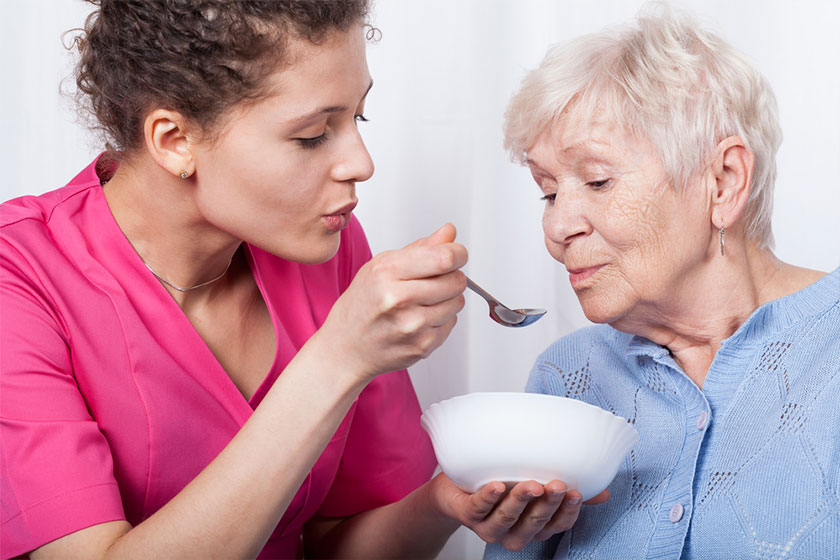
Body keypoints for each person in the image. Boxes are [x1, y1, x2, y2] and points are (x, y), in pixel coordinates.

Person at [0, 1, 603, 559]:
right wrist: (337, 359)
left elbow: (336, 544)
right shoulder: (19, 277)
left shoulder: (326, 248)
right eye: (312, 135)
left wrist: (446, 501)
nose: (361, 163)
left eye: (358, 115)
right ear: (175, 140)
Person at [484, 5, 840, 560]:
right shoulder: (565, 380)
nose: (557, 227)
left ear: (723, 183)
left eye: (598, 181)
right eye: (549, 191)